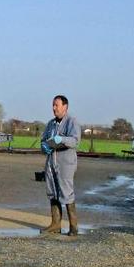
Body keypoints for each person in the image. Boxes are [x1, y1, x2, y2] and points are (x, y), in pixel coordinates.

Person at [40, 95, 81, 236]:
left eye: (56, 105)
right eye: (53, 105)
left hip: (66, 163)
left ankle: (73, 226)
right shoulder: (51, 123)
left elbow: (75, 141)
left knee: (66, 192)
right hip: (51, 162)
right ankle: (55, 225)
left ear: (65, 106)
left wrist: (61, 139)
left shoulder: (72, 122)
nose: (53, 108)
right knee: (53, 191)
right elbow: (44, 139)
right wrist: (44, 146)